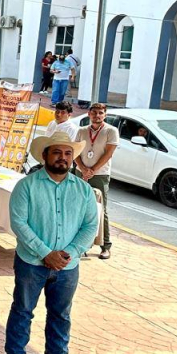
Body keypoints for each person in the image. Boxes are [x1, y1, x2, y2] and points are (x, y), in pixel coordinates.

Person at [4, 132, 98, 354]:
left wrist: (69, 253)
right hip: (31, 263)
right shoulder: (27, 186)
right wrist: (46, 253)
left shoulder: (83, 190)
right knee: (22, 310)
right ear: (45, 155)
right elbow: (19, 223)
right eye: (57, 152)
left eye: (68, 153)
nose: (62, 158)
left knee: (61, 315)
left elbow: (90, 226)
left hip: (68, 266)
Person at [75, 103, 117, 260]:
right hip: (80, 173)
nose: (97, 116)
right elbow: (75, 152)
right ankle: (79, 244)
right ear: (89, 114)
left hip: (100, 175)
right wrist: (82, 169)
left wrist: (92, 170)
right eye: (94, 113)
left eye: (100, 113)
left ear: (105, 115)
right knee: (78, 208)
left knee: (101, 209)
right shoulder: (81, 131)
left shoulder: (111, 131)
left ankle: (105, 246)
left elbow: (109, 154)